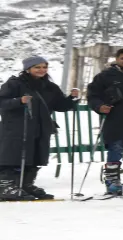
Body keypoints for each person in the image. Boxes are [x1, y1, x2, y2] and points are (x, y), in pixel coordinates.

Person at [0, 57, 79, 200]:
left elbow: (60, 106)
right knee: (14, 155)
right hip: (17, 128)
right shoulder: (14, 84)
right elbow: (2, 102)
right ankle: (6, 185)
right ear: (28, 69)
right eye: (37, 67)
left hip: (41, 128)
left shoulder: (50, 87)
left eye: (44, 67)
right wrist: (19, 101)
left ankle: (26, 184)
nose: (42, 70)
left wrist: (71, 99)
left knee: (36, 155)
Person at [86, 47, 123, 196]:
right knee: (115, 150)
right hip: (115, 119)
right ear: (117, 59)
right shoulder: (105, 76)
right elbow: (93, 95)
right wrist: (99, 106)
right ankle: (112, 181)